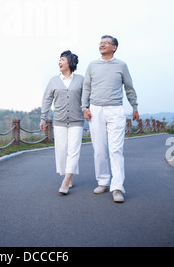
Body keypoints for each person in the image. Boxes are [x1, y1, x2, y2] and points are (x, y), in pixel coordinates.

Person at [82, 35, 139, 203]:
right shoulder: (92, 65)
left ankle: (117, 188)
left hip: (115, 109)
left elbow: (129, 87)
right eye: (100, 42)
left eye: (106, 43)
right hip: (95, 109)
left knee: (116, 149)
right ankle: (103, 181)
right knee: (99, 149)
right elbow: (86, 87)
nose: (102, 45)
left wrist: (134, 106)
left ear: (114, 47)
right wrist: (84, 107)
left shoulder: (121, 65)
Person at [40, 50, 84, 195]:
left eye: (62, 60)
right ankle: (67, 175)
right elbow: (47, 99)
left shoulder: (81, 80)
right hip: (59, 121)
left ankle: (66, 180)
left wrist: (88, 110)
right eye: (59, 60)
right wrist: (43, 117)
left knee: (73, 150)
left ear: (70, 62)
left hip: (76, 120)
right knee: (62, 150)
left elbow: (86, 99)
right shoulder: (53, 80)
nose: (59, 62)